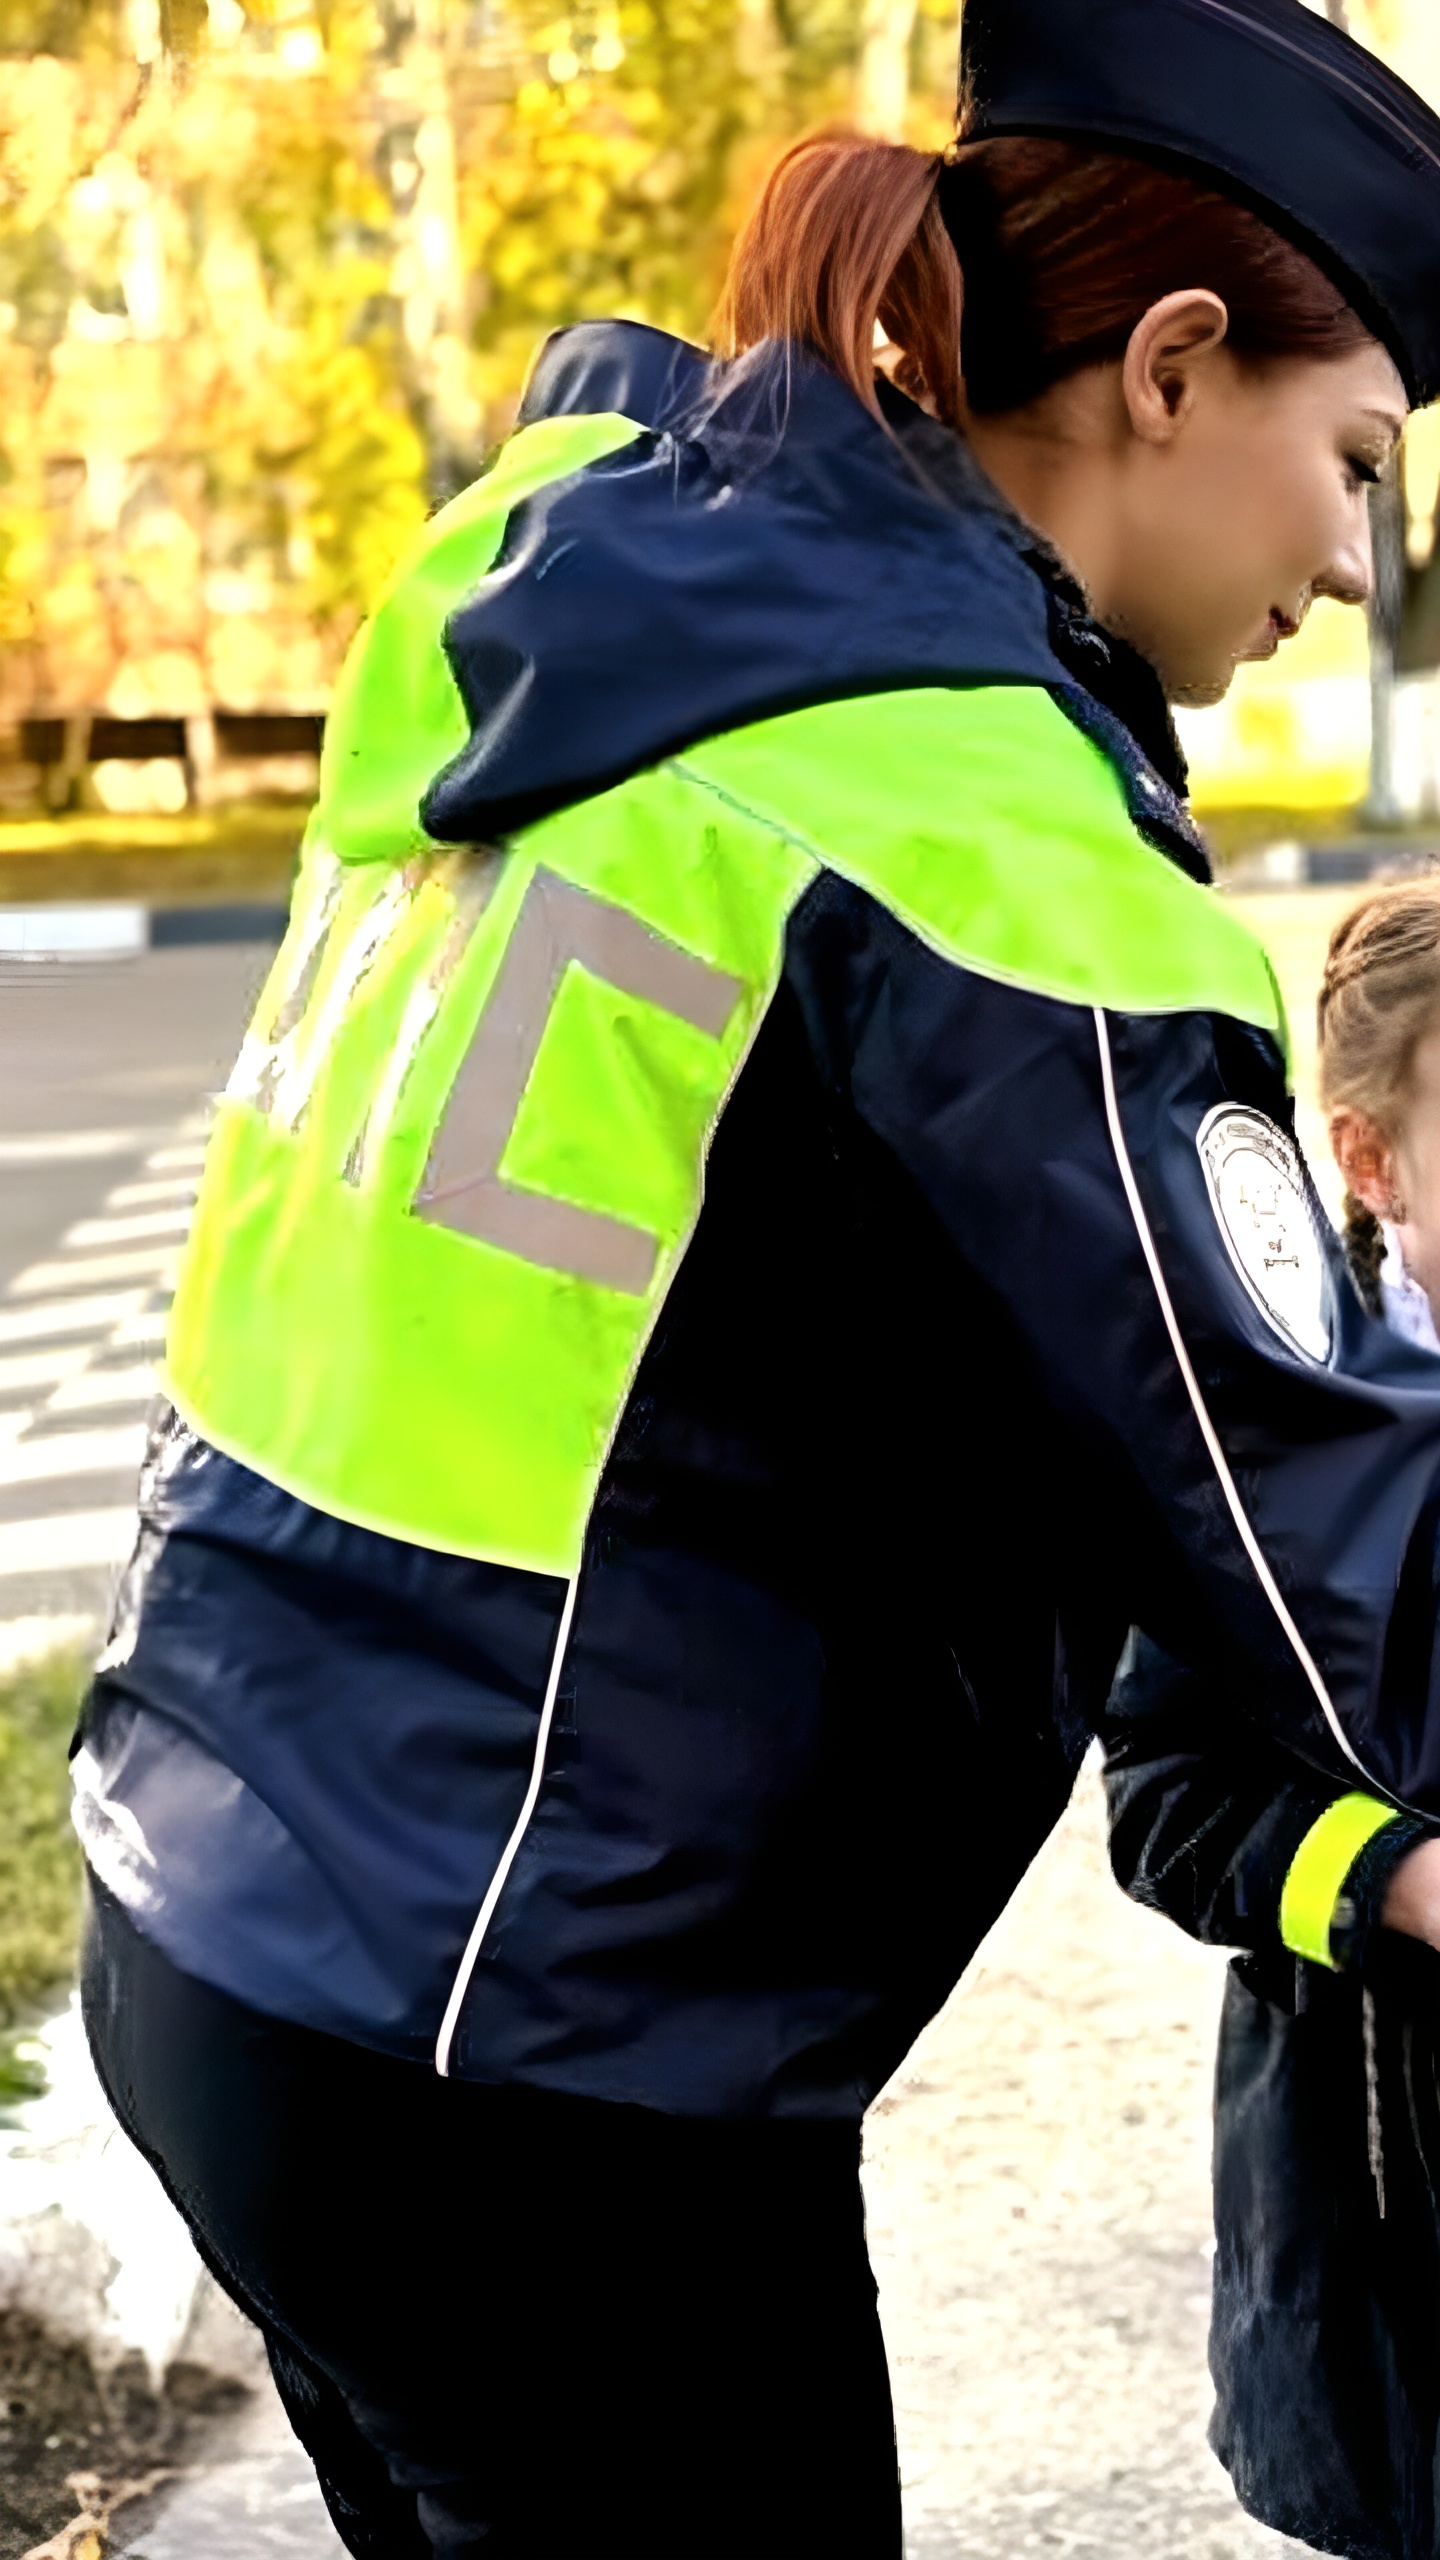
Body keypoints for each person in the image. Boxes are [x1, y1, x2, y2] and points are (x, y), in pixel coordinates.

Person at [72, 0, 1440, 2550]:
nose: (1356, 555)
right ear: (1167, 371)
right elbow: (1341, 1563)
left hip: (226, 1906)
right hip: (537, 2071)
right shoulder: (984, 850)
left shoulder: (575, 591)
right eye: (1354, 458)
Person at [1107, 883, 1440, 2560]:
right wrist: (1399, 1878)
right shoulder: (1279, 1453)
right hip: (1391, 2222)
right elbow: (1169, 1802)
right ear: (1372, 1165)